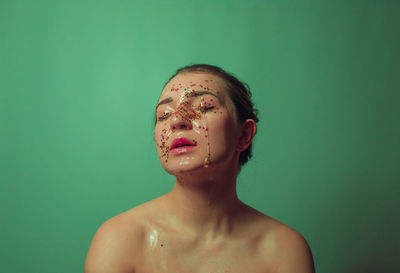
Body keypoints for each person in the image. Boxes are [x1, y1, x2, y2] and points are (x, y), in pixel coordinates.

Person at [84, 64, 315, 273]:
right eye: (164, 115)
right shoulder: (119, 239)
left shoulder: (284, 250)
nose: (177, 121)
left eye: (204, 107)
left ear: (244, 135)